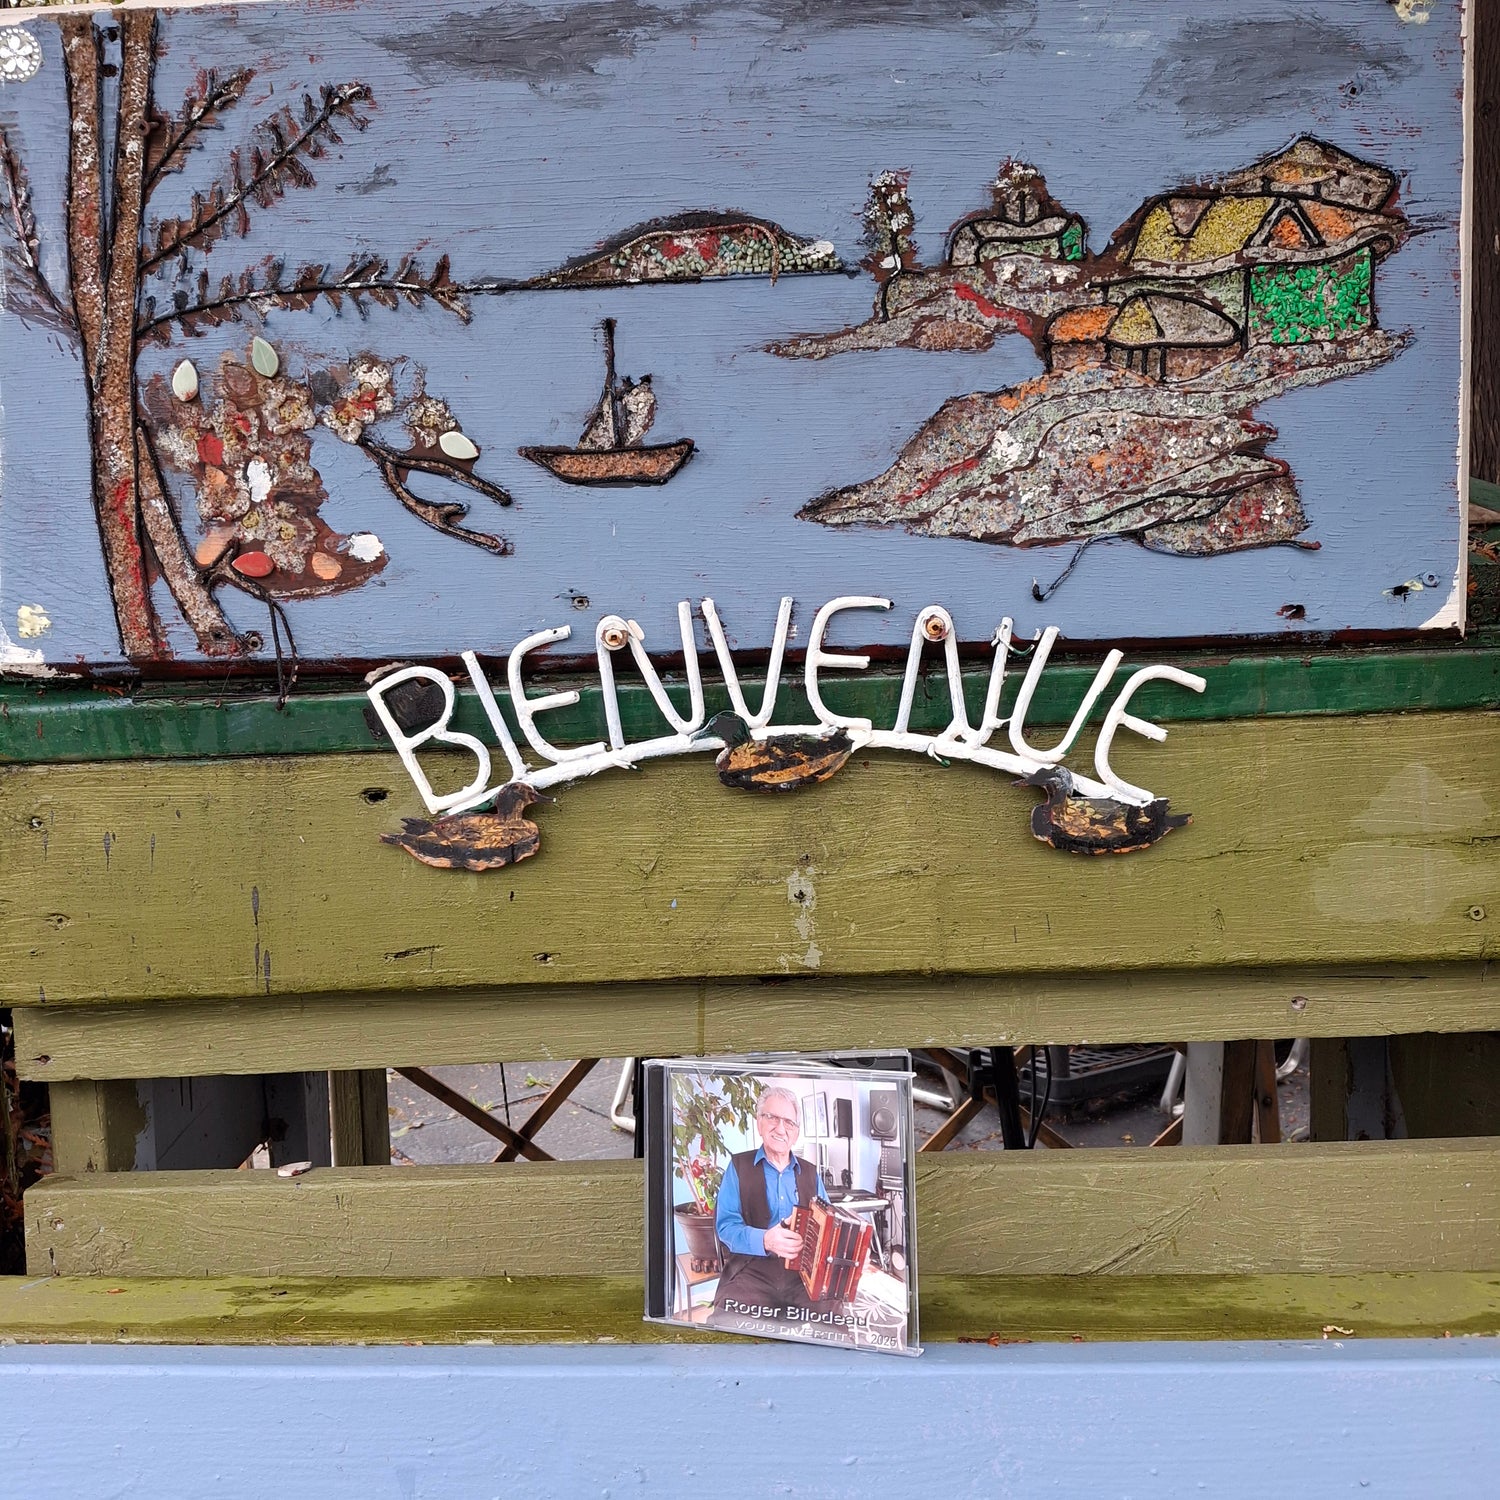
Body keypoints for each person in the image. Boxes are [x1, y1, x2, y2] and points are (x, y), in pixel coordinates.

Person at [710, 1083, 828, 1324]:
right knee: (724, 1321)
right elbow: (726, 1227)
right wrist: (765, 1240)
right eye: (772, 1117)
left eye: (789, 1122)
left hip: (803, 1273)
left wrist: (849, 1252)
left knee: (835, 1319)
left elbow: (829, 1224)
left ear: (796, 1132)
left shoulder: (811, 1173)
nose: (780, 1128)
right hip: (752, 1269)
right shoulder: (738, 1167)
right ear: (759, 1123)